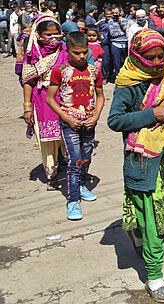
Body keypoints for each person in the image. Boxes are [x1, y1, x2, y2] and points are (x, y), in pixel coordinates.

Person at [107, 29, 164, 303]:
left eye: (161, 56)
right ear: (137, 56)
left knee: (160, 219)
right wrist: (150, 114)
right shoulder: (127, 82)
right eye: (151, 58)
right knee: (152, 222)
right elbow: (115, 120)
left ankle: (141, 238)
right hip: (142, 161)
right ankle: (155, 276)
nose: (157, 63)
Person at [46, 31, 105, 220]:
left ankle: (80, 184)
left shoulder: (94, 70)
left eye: (84, 52)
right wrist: (67, 117)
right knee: (74, 160)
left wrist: (96, 116)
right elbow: (50, 99)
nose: (81, 56)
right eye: (76, 53)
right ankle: (73, 200)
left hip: (89, 123)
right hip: (69, 123)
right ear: (68, 50)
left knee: (86, 157)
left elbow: (100, 96)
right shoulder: (60, 70)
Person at [21, 15, 68, 190]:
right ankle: (52, 175)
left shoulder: (64, 49)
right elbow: (27, 81)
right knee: (47, 140)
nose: (54, 38)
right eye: (49, 35)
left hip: (65, 99)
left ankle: (74, 172)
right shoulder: (32, 52)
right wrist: (27, 108)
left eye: (57, 34)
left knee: (67, 137)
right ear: (39, 34)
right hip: (42, 100)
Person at [108, 6, 128, 81]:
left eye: (116, 13)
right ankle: (117, 77)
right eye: (113, 13)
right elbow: (112, 33)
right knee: (116, 63)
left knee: (124, 62)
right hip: (115, 44)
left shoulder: (125, 21)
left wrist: (122, 23)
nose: (115, 14)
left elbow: (127, 31)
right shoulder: (110, 22)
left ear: (120, 12)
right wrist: (122, 33)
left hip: (125, 44)